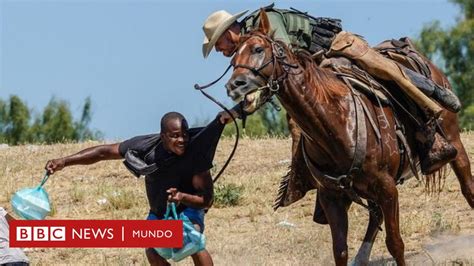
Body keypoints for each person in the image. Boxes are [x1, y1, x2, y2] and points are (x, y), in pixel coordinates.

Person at [201, 4, 461, 174]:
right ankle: (311, 177)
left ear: (228, 32)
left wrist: (242, 106)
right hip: (314, 71)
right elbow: (271, 81)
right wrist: (238, 109)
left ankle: (430, 130)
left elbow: (283, 62)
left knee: (386, 74)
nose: (221, 50)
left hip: (335, 48)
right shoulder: (248, 50)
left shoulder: (264, 25)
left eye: (219, 44)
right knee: (298, 121)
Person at [45, 111, 235, 266]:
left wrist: (182, 196)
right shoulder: (145, 147)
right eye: (175, 136)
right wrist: (64, 161)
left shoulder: (196, 152)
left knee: (191, 239)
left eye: (184, 134)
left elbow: (207, 200)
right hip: (159, 212)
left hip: (189, 209)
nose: (182, 140)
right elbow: (103, 153)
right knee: (152, 251)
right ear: (163, 137)